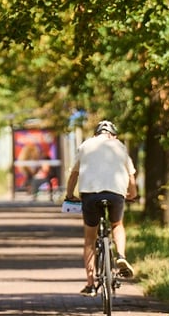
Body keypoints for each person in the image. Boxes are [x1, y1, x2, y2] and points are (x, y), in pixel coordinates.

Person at [65, 120, 138, 297]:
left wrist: (69, 195)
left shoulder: (85, 145)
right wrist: (132, 194)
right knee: (117, 225)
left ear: (96, 134)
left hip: (90, 194)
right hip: (116, 194)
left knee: (90, 238)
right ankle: (120, 255)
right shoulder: (119, 146)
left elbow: (74, 174)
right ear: (113, 134)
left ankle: (90, 284)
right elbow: (131, 176)